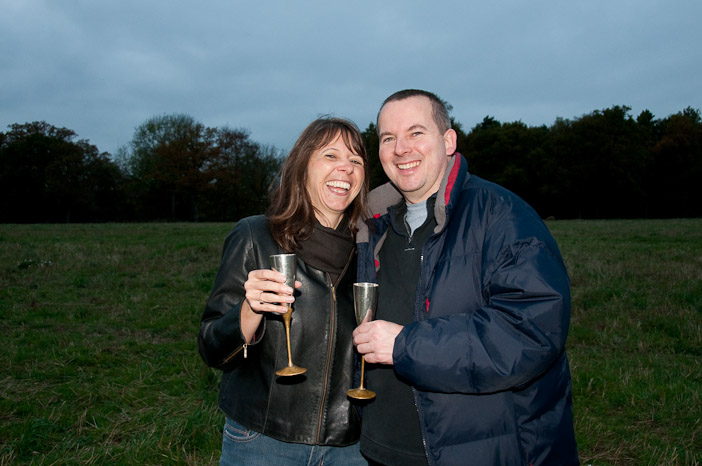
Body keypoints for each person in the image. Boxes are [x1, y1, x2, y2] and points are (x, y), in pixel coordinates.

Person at [352, 90, 579, 465]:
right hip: (380, 449)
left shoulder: (502, 215)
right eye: (388, 138)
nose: (401, 148)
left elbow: (533, 330)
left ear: (448, 141)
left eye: (416, 133)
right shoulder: (371, 227)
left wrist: (408, 345)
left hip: (478, 449)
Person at [198, 116, 370, 466]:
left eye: (356, 160)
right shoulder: (255, 236)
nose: (346, 169)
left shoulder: (370, 253)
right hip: (263, 440)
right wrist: (249, 311)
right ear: (302, 166)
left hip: (350, 447)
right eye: (331, 156)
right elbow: (212, 348)